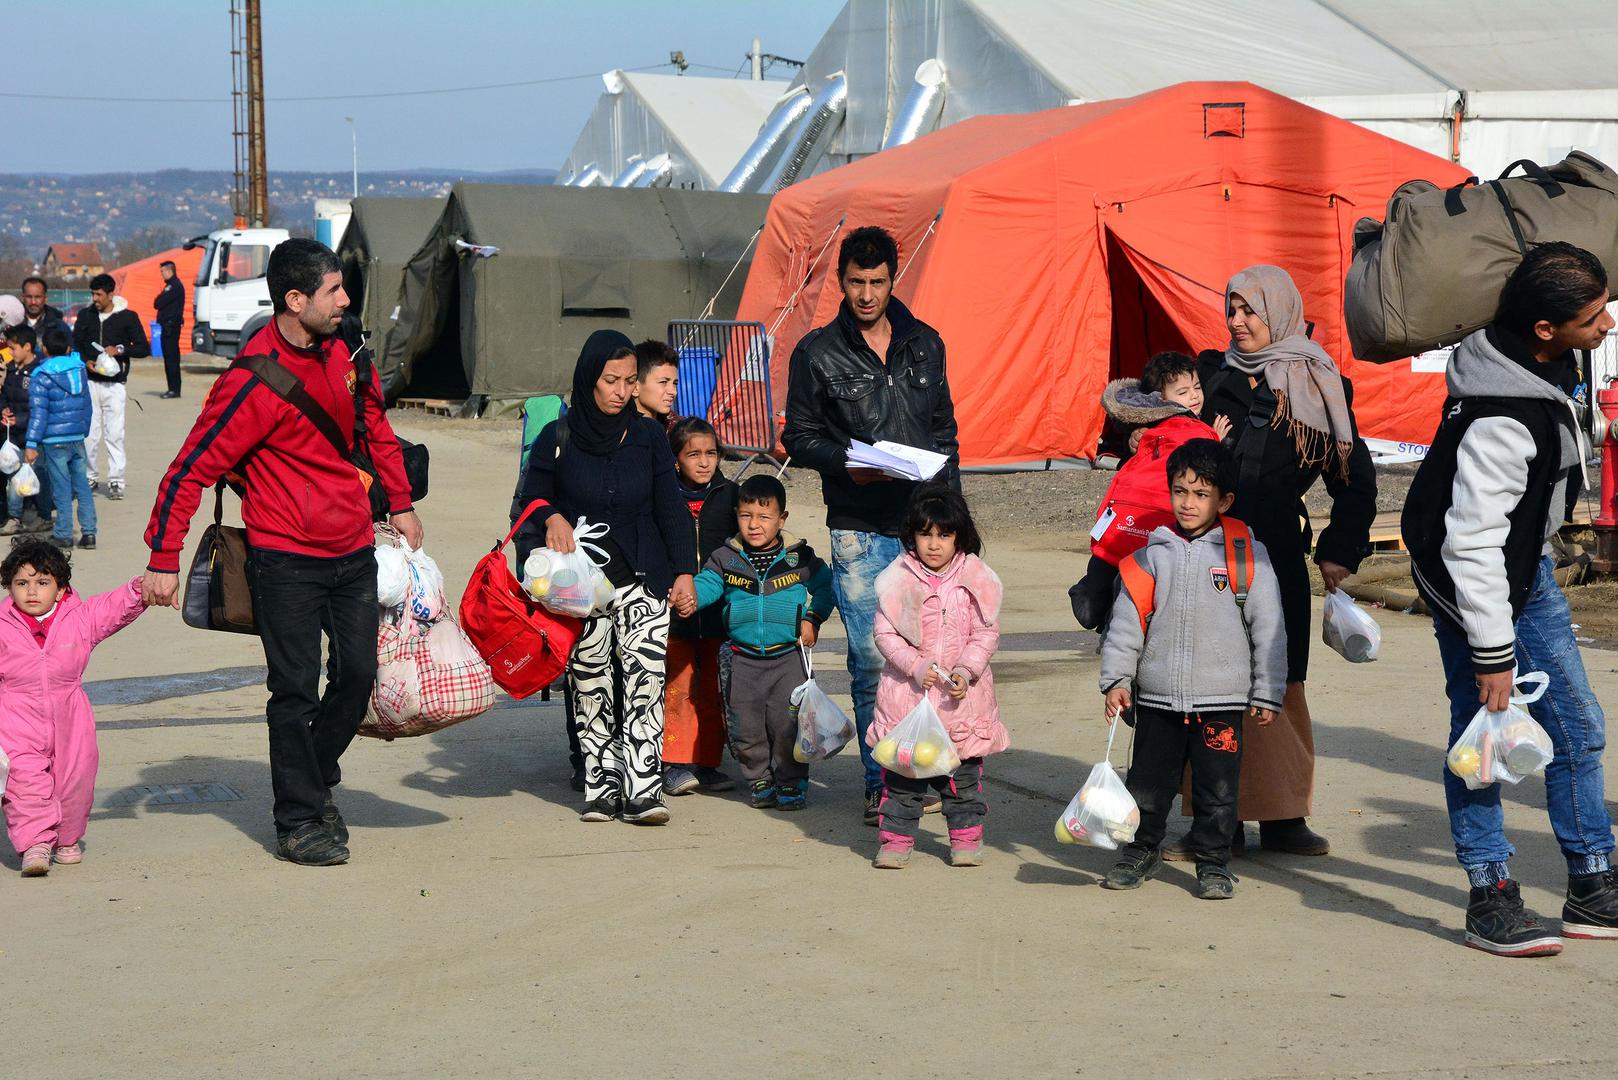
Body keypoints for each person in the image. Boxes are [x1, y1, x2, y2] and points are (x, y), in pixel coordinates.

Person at [142, 238, 421, 867]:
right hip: (285, 558)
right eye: (333, 291)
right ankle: (298, 819)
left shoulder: (346, 349)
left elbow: (375, 425)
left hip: (353, 546)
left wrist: (401, 502)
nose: (345, 300)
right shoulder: (251, 381)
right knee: (294, 690)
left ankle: (312, 778)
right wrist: (164, 556)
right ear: (295, 300)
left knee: (357, 677)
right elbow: (189, 468)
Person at [1403, 242, 1618, 957]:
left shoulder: (1546, 361)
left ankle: (1592, 886)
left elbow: (1563, 433)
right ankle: (1489, 896)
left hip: (1527, 572)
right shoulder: (1500, 419)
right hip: (1480, 588)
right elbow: (1471, 546)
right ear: (1545, 329)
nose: (1608, 324)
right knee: (1482, 742)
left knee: (1577, 730)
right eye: (1593, 316)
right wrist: (1492, 652)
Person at [1193, 265, 1375, 857]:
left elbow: (1353, 478)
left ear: (1280, 311)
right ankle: (1215, 821)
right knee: (1209, 681)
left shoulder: (1320, 383)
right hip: (1205, 554)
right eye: (1232, 308)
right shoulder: (1210, 378)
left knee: (1282, 679)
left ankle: (1283, 816)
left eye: (1250, 310)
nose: (1237, 321)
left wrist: (1340, 549)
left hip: (1275, 554)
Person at [782, 225, 961, 825]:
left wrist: (954, 523)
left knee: (930, 655)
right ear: (841, 281)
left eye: (877, 282)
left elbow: (944, 433)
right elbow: (798, 435)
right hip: (858, 526)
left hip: (924, 527)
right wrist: (845, 463)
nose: (866, 294)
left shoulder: (925, 344)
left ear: (893, 279)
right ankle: (880, 782)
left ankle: (922, 767)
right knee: (869, 658)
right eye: (856, 282)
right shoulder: (816, 353)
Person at [515, 329, 697, 825]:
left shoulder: (649, 438)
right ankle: (601, 786)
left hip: (645, 576)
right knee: (590, 684)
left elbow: (671, 507)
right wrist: (552, 516)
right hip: (581, 587)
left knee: (645, 683)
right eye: (611, 380)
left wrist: (685, 570)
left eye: (630, 381)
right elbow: (532, 495)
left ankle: (644, 790)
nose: (622, 391)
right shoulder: (558, 436)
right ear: (588, 378)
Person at [1098, 440, 1286, 899]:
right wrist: (1117, 679)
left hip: (1222, 703)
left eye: (1201, 494)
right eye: (1180, 491)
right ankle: (1141, 850)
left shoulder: (1247, 556)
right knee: (1147, 786)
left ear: (1224, 500)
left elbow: (1269, 628)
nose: (1188, 502)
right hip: (1157, 699)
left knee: (1217, 791)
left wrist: (1268, 691)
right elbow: (1125, 626)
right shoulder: (1150, 556)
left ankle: (1214, 862)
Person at [868, 484, 1006, 868]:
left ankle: (965, 841)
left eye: (944, 535)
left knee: (962, 783)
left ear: (959, 536)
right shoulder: (897, 578)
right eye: (925, 534)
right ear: (911, 535)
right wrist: (915, 666)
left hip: (960, 706)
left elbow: (986, 633)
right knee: (902, 782)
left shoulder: (975, 578)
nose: (933, 544)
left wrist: (966, 670)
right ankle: (895, 843)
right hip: (908, 703)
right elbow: (885, 633)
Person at [0, 538, 149, 876]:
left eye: (42, 582)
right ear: (9, 587)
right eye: (21, 583)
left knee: (75, 780)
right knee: (24, 782)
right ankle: (36, 844)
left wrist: (140, 589)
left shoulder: (80, 618)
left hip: (71, 714)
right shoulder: (3, 624)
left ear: (61, 588)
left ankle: (67, 838)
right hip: (16, 715)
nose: (32, 591)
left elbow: (113, 607)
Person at [692, 473, 833, 810]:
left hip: (789, 659)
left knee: (789, 724)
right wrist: (689, 596)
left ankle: (791, 782)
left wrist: (813, 619)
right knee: (746, 724)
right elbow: (707, 584)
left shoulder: (800, 558)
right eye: (746, 515)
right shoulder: (726, 557)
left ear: (782, 518)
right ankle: (759, 779)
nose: (754, 525)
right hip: (742, 659)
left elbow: (826, 588)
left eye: (764, 516)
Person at [1069, 351, 1230, 631]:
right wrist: (1214, 439)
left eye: (1197, 387)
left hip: (1123, 521)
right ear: (1159, 400)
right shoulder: (1188, 430)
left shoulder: (1149, 427)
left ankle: (1094, 595)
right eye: (1183, 392)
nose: (1194, 396)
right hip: (1153, 523)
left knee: (1111, 564)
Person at [662, 417, 740, 797]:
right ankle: (673, 764)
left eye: (711, 453)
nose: (705, 461)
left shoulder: (732, 496)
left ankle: (707, 763)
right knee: (676, 690)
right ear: (676, 459)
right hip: (672, 614)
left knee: (712, 691)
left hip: (717, 614)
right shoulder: (662, 496)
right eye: (693, 454)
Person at [73, 272, 149, 501]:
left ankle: (116, 480)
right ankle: (90, 476)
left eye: (99, 294)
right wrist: (85, 361)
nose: (95, 299)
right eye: (93, 294)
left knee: (114, 433)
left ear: (111, 294)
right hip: (90, 382)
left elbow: (143, 348)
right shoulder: (85, 316)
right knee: (89, 434)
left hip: (115, 385)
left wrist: (121, 350)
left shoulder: (128, 317)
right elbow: (76, 344)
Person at [25, 327, 95, 550]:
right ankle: (89, 533)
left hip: (54, 440)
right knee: (82, 485)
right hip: (77, 437)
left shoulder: (41, 375)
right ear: (68, 348)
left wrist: (31, 442)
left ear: (44, 349)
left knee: (61, 487)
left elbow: (38, 413)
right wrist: (83, 430)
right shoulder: (79, 370)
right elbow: (87, 405)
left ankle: (64, 534)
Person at [0, 326, 54, 535]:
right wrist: (4, 410)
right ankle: (15, 517)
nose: (10, 352)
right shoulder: (12, 370)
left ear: (27, 347)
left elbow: (41, 408)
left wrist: (20, 420)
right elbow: (4, 396)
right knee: (14, 475)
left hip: (34, 436)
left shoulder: (39, 372)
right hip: (13, 435)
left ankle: (45, 515)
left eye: (13, 348)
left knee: (39, 475)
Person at [154, 259, 186, 399]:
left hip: (171, 326)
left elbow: (158, 302)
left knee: (171, 358)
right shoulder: (171, 286)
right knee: (169, 357)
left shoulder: (174, 286)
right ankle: (172, 387)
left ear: (169, 271)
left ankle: (174, 389)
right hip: (168, 326)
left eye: (162, 271)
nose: (161, 274)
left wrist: (159, 299)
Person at [634, 338, 679, 424]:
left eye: (675, 383)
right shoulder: (617, 428)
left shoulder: (679, 428)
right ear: (635, 387)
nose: (673, 392)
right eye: (663, 382)